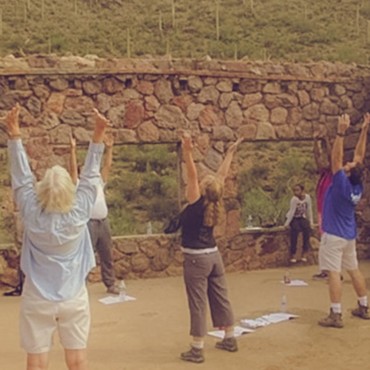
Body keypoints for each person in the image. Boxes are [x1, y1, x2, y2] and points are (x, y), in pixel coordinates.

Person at [5, 103, 110, 370]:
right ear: (69, 192)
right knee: (77, 361)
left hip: (37, 296)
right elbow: (89, 176)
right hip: (73, 296)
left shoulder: (31, 210)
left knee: (36, 362)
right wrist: (98, 135)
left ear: (41, 191)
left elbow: (21, 178)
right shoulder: (79, 212)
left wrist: (14, 133)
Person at [179, 133, 242, 364]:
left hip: (196, 259)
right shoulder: (215, 199)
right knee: (221, 297)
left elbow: (192, 174)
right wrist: (231, 153)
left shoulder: (197, 203)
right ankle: (230, 337)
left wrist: (187, 150)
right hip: (214, 256)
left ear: (203, 189)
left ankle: (197, 348)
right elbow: (222, 174)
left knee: (197, 303)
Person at [318, 112, 370, 328]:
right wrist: (365, 129)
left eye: (349, 166)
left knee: (334, 272)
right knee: (354, 269)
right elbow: (359, 157)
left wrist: (341, 132)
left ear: (348, 173)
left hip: (333, 234)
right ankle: (364, 306)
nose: (348, 164)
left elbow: (336, 160)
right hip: (348, 235)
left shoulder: (341, 183)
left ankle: (336, 314)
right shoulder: (357, 187)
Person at [70, 134, 119, 295]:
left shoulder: (98, 182)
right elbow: (72, 171)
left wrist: (109, 148)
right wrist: (72, 150)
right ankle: (80, 285)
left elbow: (107, 166)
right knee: (85, 256)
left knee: (107, 255)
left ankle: (110, 284)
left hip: (103, 222)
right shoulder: (78, 185)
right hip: (88, 223)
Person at [312, 130, 332, 279]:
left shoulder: (333, 175)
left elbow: (331, 158)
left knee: (328, 243)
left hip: (329, 212)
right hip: (322, 212)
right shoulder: (324, 175)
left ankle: (331, 271)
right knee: (324, 243)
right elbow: (317, 159)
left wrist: (325, 141)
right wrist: (315, 143)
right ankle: (326, 270)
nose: (323, 163)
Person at [284, 184, 313, 263]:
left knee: (306, 228)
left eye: (298, 190)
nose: (296, 192)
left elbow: (309, 210)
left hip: (301, 217)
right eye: (294, 190)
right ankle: (293, 253)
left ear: (302, 191)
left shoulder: (307, 198)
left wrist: (311, 222)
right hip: (293, 218)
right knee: (295, 230)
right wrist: (287, 223)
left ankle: (305, 252)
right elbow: (292, 211)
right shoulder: (294, 199)